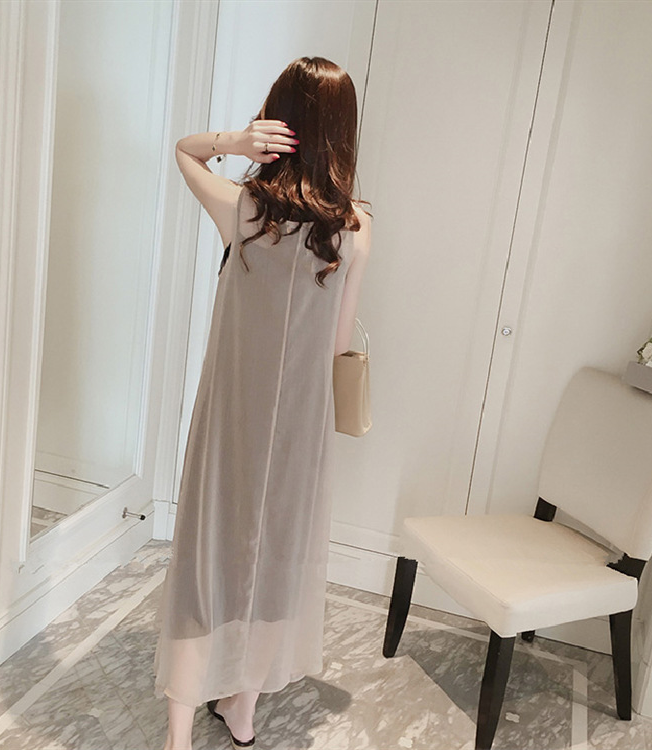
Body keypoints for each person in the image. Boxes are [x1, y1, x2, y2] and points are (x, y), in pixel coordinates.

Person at [154, 56, 372, 750]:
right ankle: (242, 710)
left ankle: (179, 733)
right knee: (276, 561)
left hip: (231, 421)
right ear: (342, 133)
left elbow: (183, 151)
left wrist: (232, 140)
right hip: (300, 426)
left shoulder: (244, 209)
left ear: (279, 121)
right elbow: (339, 346)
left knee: (206, 556)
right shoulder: (355, 230)